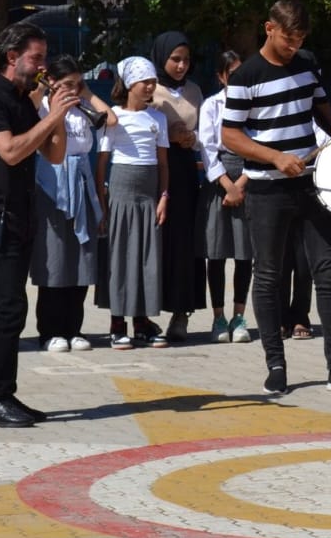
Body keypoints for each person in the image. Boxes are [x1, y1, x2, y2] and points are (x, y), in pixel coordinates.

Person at [221, 0, 331, 398]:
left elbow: (321, 112)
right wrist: (274, 158)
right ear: (269, 28)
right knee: (268, 276)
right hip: (267, 188)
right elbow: (230, 135)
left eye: (300, 38)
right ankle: (276, 364)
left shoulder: (306, 63)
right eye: (288, 37)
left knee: (328, 270)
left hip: (309, 183)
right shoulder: (246, 76)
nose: (293, 45)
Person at [0, 22, 78, 428]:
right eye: (37, 58)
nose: (43, 66)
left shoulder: (24, 101)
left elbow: (56, 155)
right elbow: (10, 151)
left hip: (20, 215)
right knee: (7, 306)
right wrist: (50, 116)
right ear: (12, 57)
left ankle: (4, 394)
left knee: (12, 306)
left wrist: (55, 114)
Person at [30, 55, 112, 352]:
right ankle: (49, 331)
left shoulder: (82, 108)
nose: (73, 90)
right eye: (67, 85)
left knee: (81, 258)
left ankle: (73, 327)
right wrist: (49, 96)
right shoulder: (41, 107)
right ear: (51, 83)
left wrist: (86, 93)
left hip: (82, 182)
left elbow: (110, 119)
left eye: (77, 84)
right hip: (52, 185)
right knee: (54, 259)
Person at [98, 56, 170, 350]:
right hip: (121, 191)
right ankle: (118, 324)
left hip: (148, 193)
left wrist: (163, 197)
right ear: (129, 84)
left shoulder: (158, 118)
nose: (151, 86)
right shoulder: (113, 117)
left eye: (153, 81)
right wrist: (103, 203)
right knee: (120, 256)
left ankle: (142, 321)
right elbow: (102, 164)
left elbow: (163, 163)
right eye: (145, 81)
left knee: (146, 256)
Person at [149, 30, 206, 342]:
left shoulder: (195, 91)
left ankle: (181, 314)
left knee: (183, 242)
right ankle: (144, 315)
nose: (182, 65)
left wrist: (189, 139)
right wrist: (167, 137)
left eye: (186, 60)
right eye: (175, 59)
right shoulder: (149, 88)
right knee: (154, 241)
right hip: (155, 169)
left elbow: (203, 133)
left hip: (184, 171)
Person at [199, 50, 253, 344]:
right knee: (216, 252)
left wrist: (242, 183)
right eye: (232, 75)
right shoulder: (211, 105)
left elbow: (260, 142)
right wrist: (226, 184)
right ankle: (218, 316)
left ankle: (240, 315)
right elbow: (207, 149)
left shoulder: (254, 105)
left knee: (245, 252)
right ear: (221, 77)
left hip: (248, 177)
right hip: (218, 180)